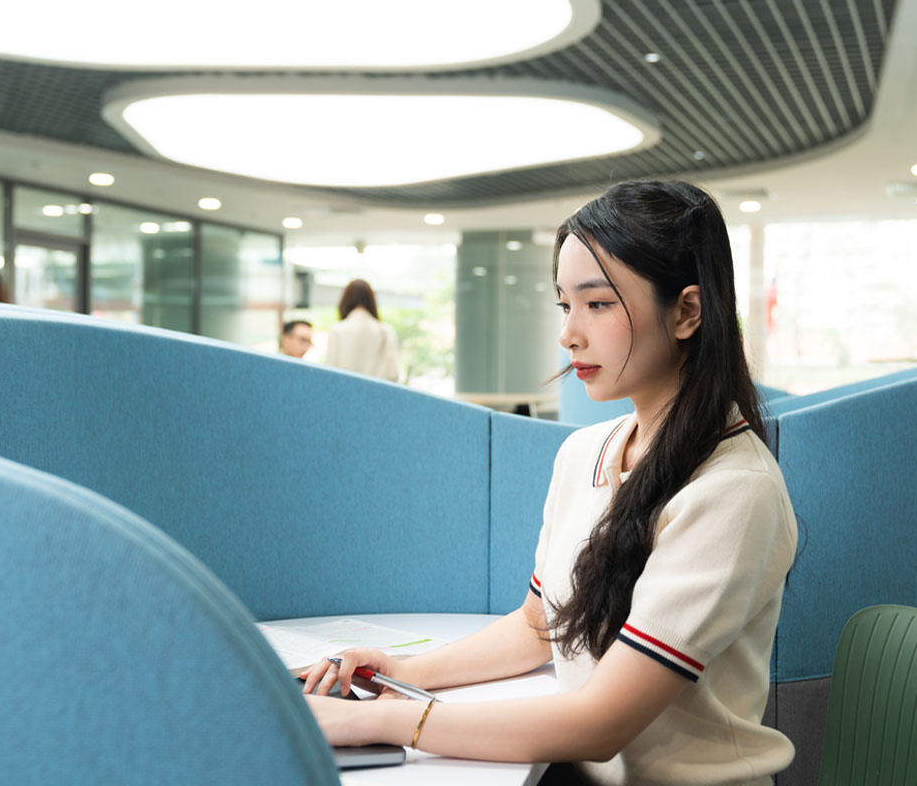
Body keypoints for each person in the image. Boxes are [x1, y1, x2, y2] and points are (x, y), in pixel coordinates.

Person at [300, 180, 798, 786]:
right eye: (565, 305)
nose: (569, 334)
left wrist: (372, 723)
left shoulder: (733, 491)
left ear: (687, 312)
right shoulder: (584, 452)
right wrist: (399, 670)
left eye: (598, 304)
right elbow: (538, 628)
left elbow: (600, 723)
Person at [324, 279, 399, 381]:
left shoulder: (337, 330)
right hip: (376, 394)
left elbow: (330, 373)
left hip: (345, 394)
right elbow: (393, 374)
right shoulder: (386, 331)